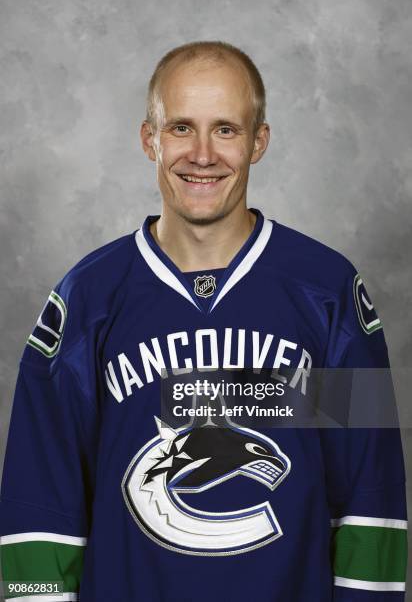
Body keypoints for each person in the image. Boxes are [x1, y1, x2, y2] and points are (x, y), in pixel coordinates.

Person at [0, 40, 407, 601]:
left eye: (226, 129)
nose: (202, 154)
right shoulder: (87, 298)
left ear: (258, 142)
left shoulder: (327, 291)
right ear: (150, 139)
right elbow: (39, 505)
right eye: (181, 128)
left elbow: (370, 496)